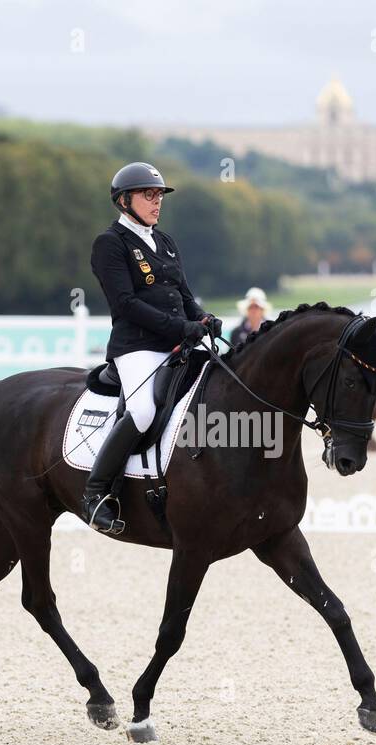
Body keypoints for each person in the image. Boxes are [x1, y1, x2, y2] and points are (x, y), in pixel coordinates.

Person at [82, 162, 221, 534]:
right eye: (149, 195)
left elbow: (185, 295)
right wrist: (181, 327)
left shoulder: (165, 241)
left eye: (159, 195)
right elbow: (125, 303)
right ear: (124, 200)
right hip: (137, 347)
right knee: (143, 410)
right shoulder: (110, 243)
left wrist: (204, 319)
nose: (156, 202)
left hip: (179, 343)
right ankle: (96, 494)